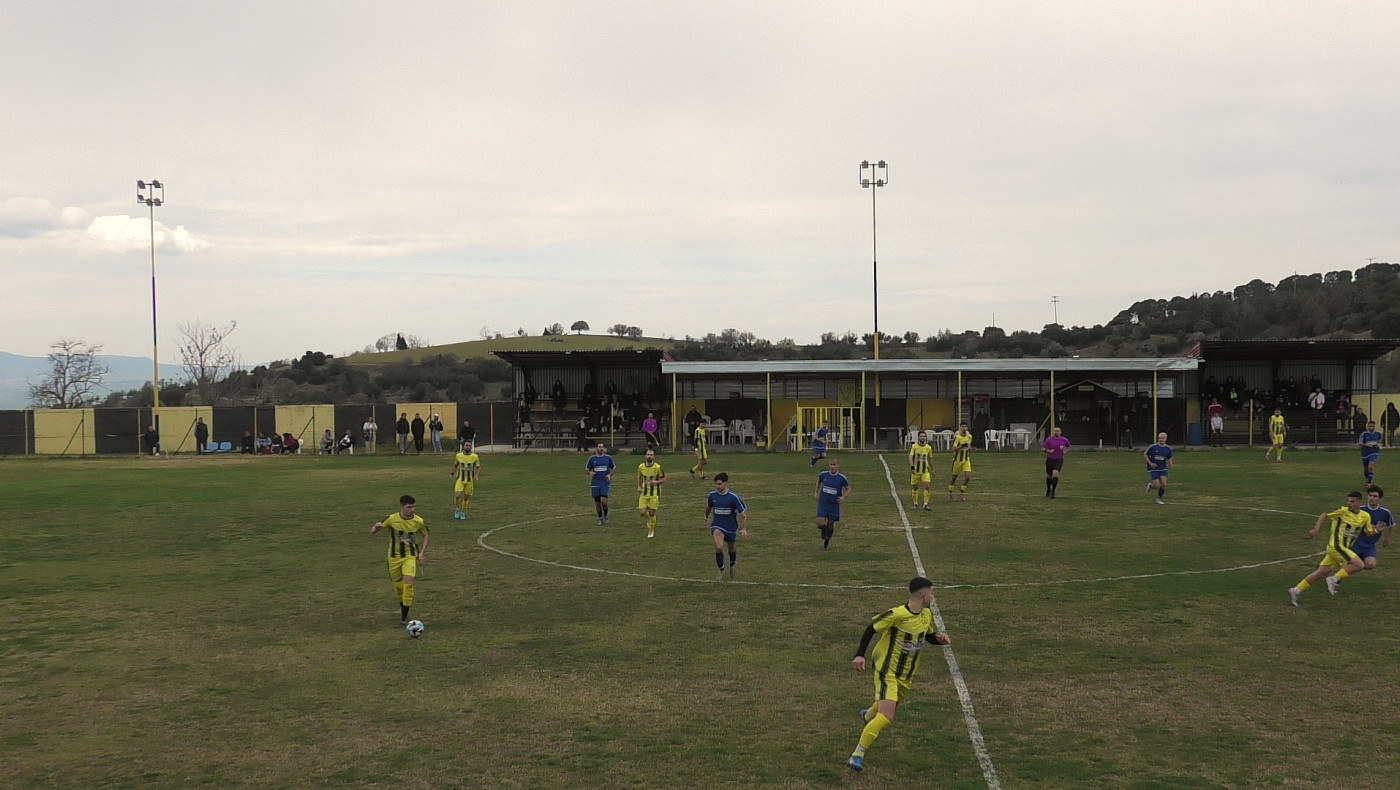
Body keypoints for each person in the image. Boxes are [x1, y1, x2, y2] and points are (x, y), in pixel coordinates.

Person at [846, 576, 951, 773]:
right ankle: (856, 755)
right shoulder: (897, 615)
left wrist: (939, 639)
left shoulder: (926, 615)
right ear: (924, 594)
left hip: (906, 675)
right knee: (887, 715)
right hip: (888, 671)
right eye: (932, 593)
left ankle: (868, 714)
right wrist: (859, 655)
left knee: (889, 705)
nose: (933, 597)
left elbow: (927, 636)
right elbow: (871, 629)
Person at [1288, 491, 1371, 606]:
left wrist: (1378, 529)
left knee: (1321, 573)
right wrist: (1316, 529)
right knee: (1359, 565)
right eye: (1348, 501)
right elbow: (1324, 515)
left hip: (1343, 548)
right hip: (1336, 546)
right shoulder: (1342, 511)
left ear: (1359, 502)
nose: (1349, 504)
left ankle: (1296, 590)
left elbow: (1368, 532)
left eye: (1352, 501)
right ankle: (1333, 579)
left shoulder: (1365, 516)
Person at [371, 494, 428, 626]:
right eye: (409, 507)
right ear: (402, 506)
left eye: (414, 507)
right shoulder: (392, 519)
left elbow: (425, 535)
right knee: (399, 589)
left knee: (408, 584)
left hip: (410, 556)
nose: (412, 510)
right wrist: (376, 527)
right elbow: (373, 531)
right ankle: (403, 608)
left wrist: (422, 553)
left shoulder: (419, 521)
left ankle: (404, 617)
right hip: (394, 558)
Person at [705, 472, 749, 581]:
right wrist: (706, 518)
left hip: (731, 527)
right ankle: (721, 569)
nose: (717, 486)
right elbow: (709, 507)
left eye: (720, 484)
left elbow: (743, 515)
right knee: (719, 547)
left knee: (731, 548)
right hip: (717, 526)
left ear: (726, 483)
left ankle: (732, 565)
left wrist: (743, 529)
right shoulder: (712, 496)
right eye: (716, 484)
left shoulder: (733, 498)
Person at [1353, 485, 1394, 574]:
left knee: (1370, 564)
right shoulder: (1361, 510)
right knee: (1346, 562)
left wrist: (1388, 538)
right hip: (1356, 543)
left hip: (1370, 545)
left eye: (1374, 496)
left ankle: (1338, 576)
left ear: (1379, 498)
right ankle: (1336, 581)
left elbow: (1392, 525)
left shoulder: (1385, 513)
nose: (1371, 498)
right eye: (1370, 495)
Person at [814, 457, 850, 550]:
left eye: (834, 465)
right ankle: (823, 530)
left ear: (838, 466)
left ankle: (827, 541)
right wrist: (816, 492)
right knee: (819, 523)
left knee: (830, 524)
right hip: (823, 504)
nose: (832, 467)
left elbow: (848, 489)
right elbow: (819, 481)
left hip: (833, 505)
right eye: (831, 465)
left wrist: (844, 497)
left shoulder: (841, 478)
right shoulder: (823, 475)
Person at [636, 448, 667, 538]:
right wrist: (639, 486)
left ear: (654, 457)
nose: (649, 456)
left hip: (654, 493)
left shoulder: (657, 467)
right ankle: (650, 520)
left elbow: (664, 479)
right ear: (645, 456)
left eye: (651, 455)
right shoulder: (641, 467)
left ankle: (651, 531)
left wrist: (656, 482)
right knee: (642, 513)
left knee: (652, 513)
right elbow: (639, 477)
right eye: (648, 455)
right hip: (644, 493)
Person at [450, 439, 482, 521]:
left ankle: (463, 512)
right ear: (463, 446)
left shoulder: (475, 457)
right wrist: (452, 474)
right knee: (457, 495)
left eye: (469, 446)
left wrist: (476, 475)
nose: (468, 447)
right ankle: (457, 509)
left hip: (469, 481)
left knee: (466, 498)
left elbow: (478, 467)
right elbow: (455, 465)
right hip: (460, 479)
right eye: (466, 445)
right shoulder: (458, 456)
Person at [586, 442, 616, 525]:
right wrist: (590, 473)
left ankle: (606, 515)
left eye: (602, 447)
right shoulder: (592, 459)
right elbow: (587, 469)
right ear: (597, 448)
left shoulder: (608, 458)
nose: (601, 448)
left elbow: (614, 468)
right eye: (599, 447)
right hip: (595, 483)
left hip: (605, 483)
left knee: (603, 501)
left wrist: (610, 475)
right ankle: (600, 518)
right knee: (597, 502)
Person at [1042, 426, 1071, 499]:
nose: (1056, 432)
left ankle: (1053, 491)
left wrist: (1065, 451)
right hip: (1050, 460)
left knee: (1055, 474)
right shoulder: (1049, 440)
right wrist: (1048, 451)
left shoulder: (1064, 440)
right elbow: (1043, 448)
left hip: (1058, 460)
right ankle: (1048, 489)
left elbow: (1069, 446)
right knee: (1049, 475)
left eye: (1057, 431)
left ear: (1060, 432)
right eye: (1055, 431)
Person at [907, 431, 934, 510]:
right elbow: (910, 457)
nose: (922, 438)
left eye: (924, 436)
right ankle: (915, 503)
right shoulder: (914, 447)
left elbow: (930, 458)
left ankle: (926, 504)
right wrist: (912, 467)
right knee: (915, 487)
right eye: (921, 436)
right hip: (916, 471)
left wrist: (933, 469)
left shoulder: (928, 448)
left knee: (927, 486)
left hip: (925, 471)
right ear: (918, 437)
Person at [1144, 432, 1173, 504]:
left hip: (1163, 468)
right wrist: (1150, 463)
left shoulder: (1168, 449)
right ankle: (1151, 486)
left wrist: (1170, 462)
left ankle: (1158, 499)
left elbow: (1169, 457)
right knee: (1156, 485)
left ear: (1166, 439)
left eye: (1162, 438)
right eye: (1159, 438)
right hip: (1153, 468)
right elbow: (1145, 455)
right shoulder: (1153, 447)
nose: (1160, 439)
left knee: (1163, 483)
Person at [947, 422, 973, 502]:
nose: (964, 428)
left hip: (966, 460)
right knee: (954, 478)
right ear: (960, 428)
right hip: (957, 460)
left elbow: (969, 447)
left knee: (968, 477)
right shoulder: (957, 438)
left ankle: (962, 492)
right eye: (962, 427)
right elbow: (953, 449)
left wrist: (970, 449)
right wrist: (961, 446)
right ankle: (950, 492)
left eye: (965, 426)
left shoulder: (969, 437)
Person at [1359, 420, 1383, 486]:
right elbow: (1360, 443)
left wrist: (1379, 444)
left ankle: (1369, 483)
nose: (1371, 428)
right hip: (1365, 453)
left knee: (1371, 466)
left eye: (1373, 426)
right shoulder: (1364, 434)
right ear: (1368, 427)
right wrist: (1367, 445)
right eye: (1370, 426)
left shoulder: (1378, 434)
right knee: (1366, 468)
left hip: (1375, 452)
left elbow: (1380, 441)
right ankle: (1367, 478)